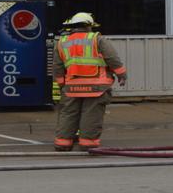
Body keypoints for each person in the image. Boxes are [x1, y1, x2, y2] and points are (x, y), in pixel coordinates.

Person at [50, 12, 128, 151]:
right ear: (89, 26)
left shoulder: (62, 42)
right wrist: (122, 74)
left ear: (72, 26)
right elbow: (112, 58)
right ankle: (87, 144)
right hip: (96, 87)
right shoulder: (97, 39)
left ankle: (63, 143)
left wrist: (62, 84)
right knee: (90, 114)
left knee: (68, 114)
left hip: (71, 87)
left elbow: (57, 67)